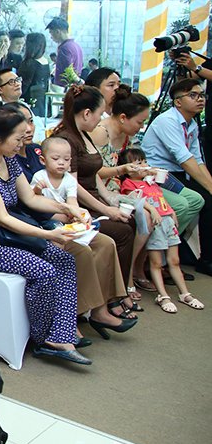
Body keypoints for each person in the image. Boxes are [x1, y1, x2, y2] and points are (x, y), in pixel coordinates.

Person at [0, 102, 90, 365]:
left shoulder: (7, 159)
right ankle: (42, 338)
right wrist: (49, 235)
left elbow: (30, 198)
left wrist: (67, 208)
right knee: (44, 271)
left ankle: (61, 335)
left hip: (9, 236)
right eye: (17, 138)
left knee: (65, 260)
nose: (22, 144)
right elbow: (2, 218)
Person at [93, 84, 204, 286]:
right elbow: (93, 171)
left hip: (135, 182)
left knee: (192, 200)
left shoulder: (127, 134)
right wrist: (124, 170)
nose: (142, 126)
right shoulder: (101, 132)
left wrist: (144, 170)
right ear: (123, 117)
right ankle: (140, 266)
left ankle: (148, 259)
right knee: (162, 209)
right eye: (140, 121)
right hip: (112, 188)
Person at [31, 135, 136, 338]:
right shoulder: (39, 176)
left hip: (67, 222)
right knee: (82, 251)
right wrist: (62, 210)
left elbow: (73, 201)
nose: (61, 163)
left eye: (66, 159)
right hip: (47, 223)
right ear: (43, 159)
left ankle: (102, 309)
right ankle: (72, 316)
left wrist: (77, 214)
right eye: (56, 159)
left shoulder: (68, 179)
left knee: (107, 243)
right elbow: (33, 200)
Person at [51, 85, 141, 297]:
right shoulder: (67, 139)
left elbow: (94, 174)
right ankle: (113, 296)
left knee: (130, 221)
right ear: (87, 113)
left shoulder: (84, 134)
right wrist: (105, 209)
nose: (101, 120)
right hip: (81, 206)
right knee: (122, 232)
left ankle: (117, 291)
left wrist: (111, 199)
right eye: (100, 114)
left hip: (94, 200)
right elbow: (73, 186)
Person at [117, 147, 205, 314]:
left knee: (174, 260)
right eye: (139, 163)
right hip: (156, 224)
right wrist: (152, 210)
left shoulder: (151, 182)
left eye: (145, 161)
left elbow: (161, 198)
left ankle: (185, 293)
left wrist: (171, 212)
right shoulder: (129, 183)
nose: (144, 165)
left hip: (167, 222)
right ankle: (163, 296)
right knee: (156, 262)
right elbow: (136, 200)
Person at [141, 78, 212, 276]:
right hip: (156, 174)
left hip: (176, 174)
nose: (200, 99)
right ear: (178, 101)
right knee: (199, 201)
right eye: (193, 95)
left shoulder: (192, 124)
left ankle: (177, 254)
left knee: (205, 198)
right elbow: (185, 159)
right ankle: (159, 254)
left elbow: (198, 160)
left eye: (202, 95)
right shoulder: (168, 121)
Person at [17, 32, 51, 118]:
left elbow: (24, 84)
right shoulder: (45, 62)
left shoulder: (29, 63)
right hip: (42, 101)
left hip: (29, 101)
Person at [48, 17, 83, 87]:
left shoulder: (64, 48)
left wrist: (79, 81)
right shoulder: (76, 46)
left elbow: (68, 71)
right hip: (74, 87)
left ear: (58, 32)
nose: (51, 37)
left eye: (51, 33)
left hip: (64, 88)